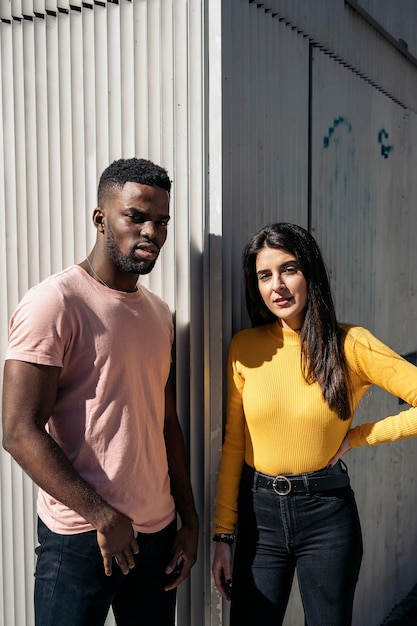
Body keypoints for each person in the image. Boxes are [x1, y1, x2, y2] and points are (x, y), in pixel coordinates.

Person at [2, 157, 199, 626]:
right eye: (136, 217)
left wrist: (187, 520)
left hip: (156, 535)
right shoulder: (55, 302)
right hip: (80, 537)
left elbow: (165, 422)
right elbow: (17, 430)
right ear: (100, 218)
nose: (151, 232)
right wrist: (103, 516)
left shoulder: (159, 314)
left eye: (161, 222)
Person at [212, 222, 417, 626]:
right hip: (260, 517)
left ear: (311, 273)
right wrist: (223, 535)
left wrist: (359, 437)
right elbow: (235, 446)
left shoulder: (351, 344)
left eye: (289, 269)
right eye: (264, 275)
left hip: (326, 517)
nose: (278, 286)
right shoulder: (245, 348)